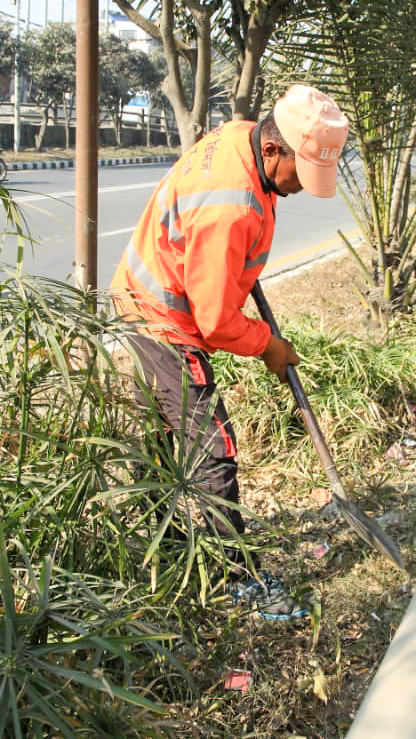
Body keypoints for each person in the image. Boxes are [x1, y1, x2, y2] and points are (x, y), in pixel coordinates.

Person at [110, 84, 349, 620]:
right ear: (273, 150)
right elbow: (216, 320)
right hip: (163, 317)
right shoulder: (232, 205)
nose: (302, 189)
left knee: (164, 434)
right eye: (299, 174)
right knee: (211, 447)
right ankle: (237, 577)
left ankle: (165, 548)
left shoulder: (242, 138)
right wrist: (267, 346)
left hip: (149, 294)